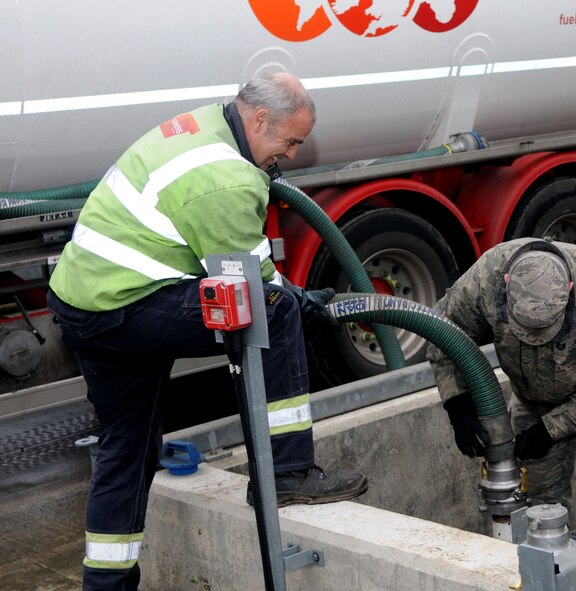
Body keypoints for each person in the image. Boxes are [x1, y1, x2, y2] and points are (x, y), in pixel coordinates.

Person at [47, 73, 367, 590]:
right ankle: (288, 472)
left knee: (128, 447)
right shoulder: (227, 178)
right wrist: (305, 303)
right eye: (289, 141)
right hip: (126, 306)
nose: (285, 156)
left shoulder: (203, 124)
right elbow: (257, 283)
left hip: (85, 302)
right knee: (276, 312)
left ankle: (106, 585)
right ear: (260, 119)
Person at [426, 237, 576, 534]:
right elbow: (440, 332)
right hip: (534, 397)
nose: (537, 340)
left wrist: (552, 429)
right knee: (536, 505)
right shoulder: (484, 279)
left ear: (570, 291)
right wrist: (457, 402)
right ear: (505, 284)